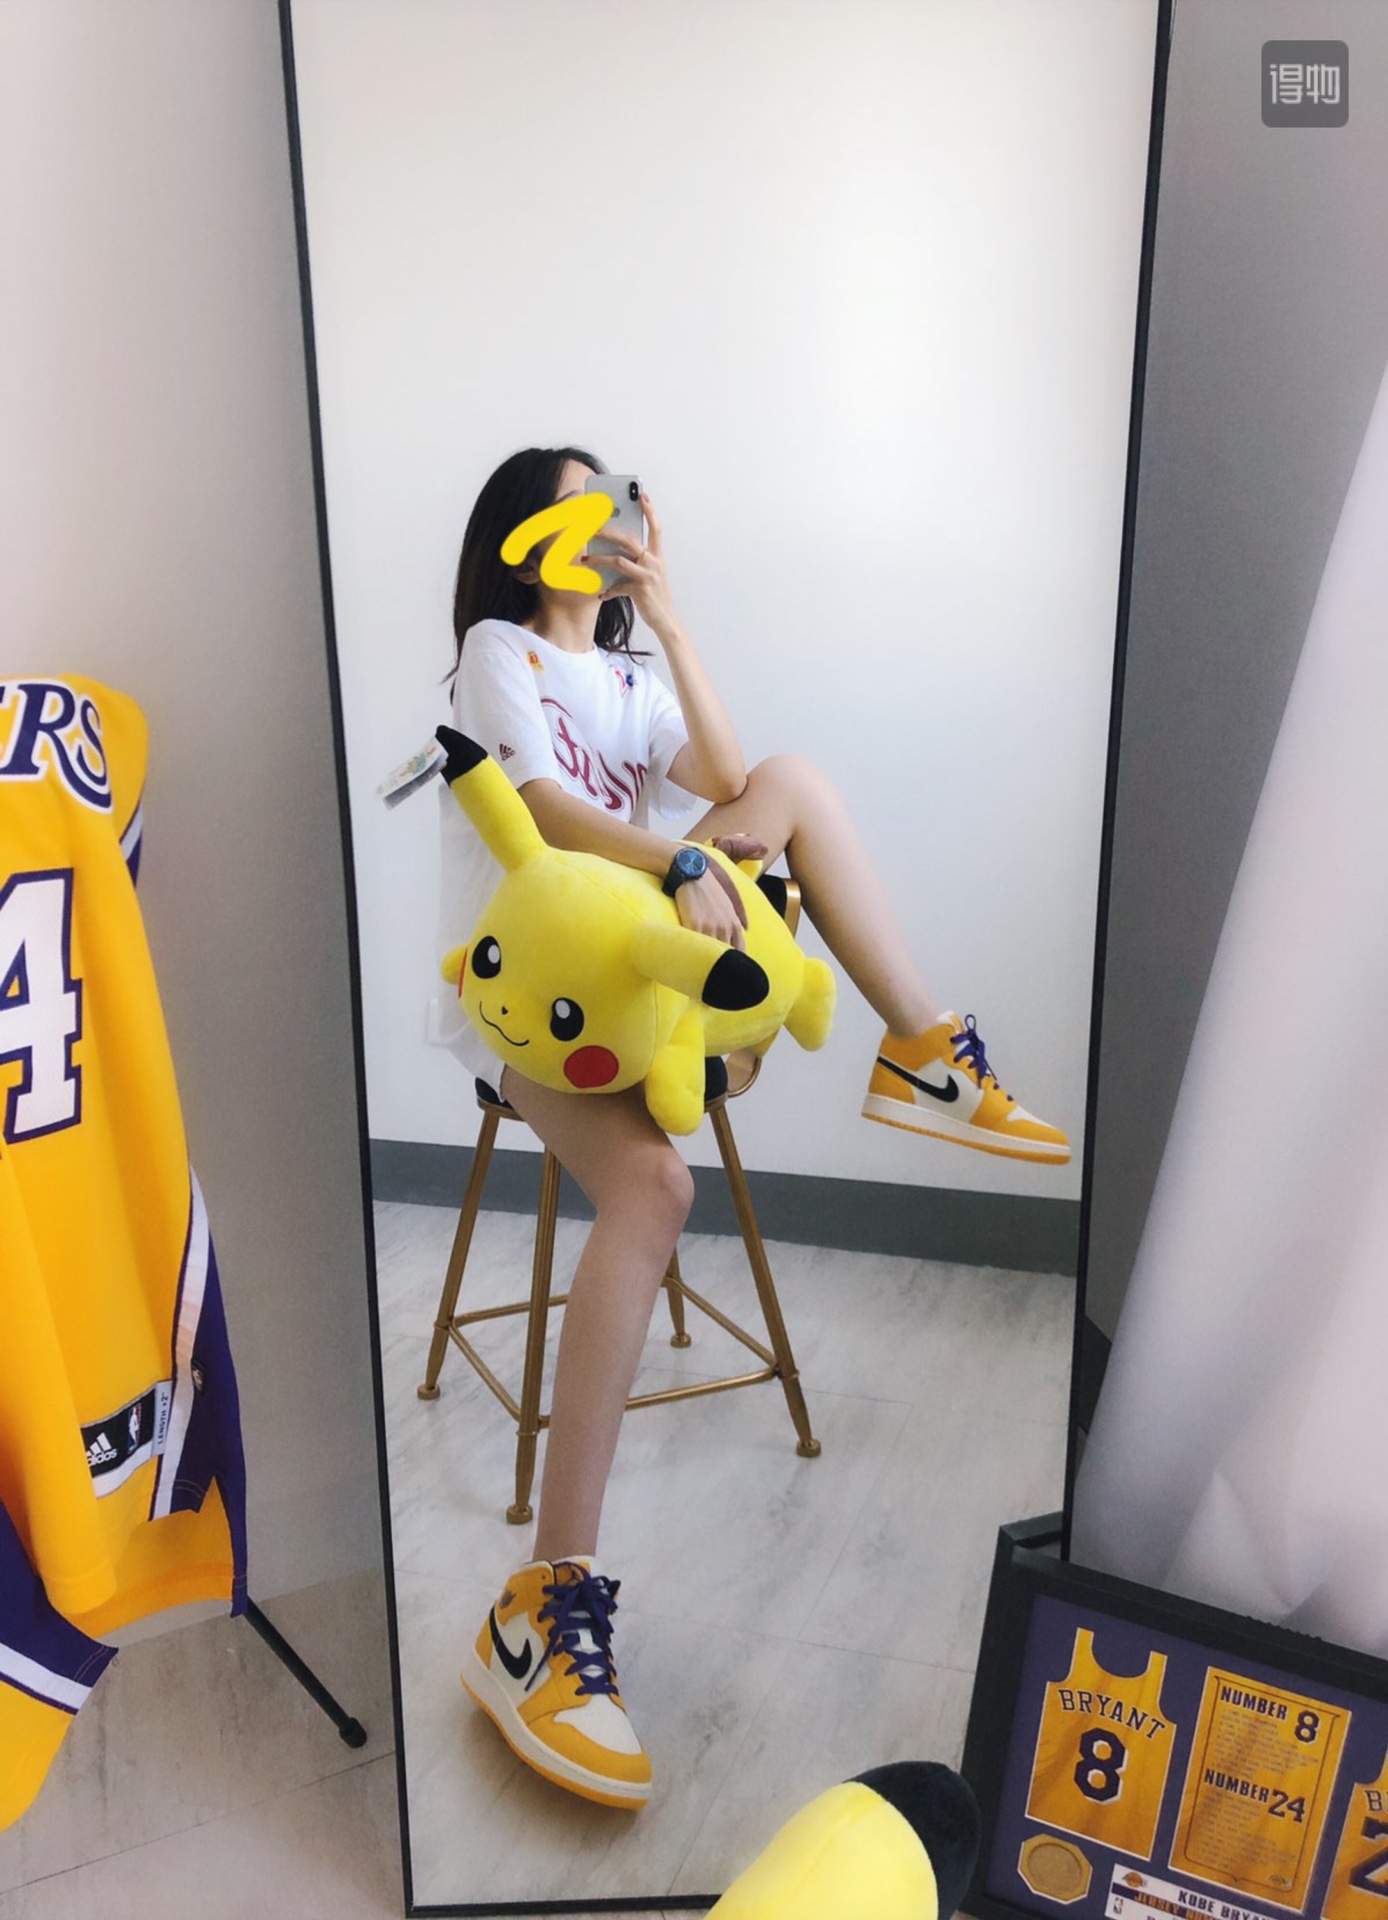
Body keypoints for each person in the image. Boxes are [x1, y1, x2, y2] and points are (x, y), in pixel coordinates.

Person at [437, 446, 1068, 1811]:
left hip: (635, 975)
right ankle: (538, 1612)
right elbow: (542, 819)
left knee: (789, 777)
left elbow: (724, 772)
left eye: (622, 508)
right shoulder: (500, 653)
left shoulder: (625, 673)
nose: (611, 527)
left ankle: (919, 1047)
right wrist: (679, 858)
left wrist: (667, 618)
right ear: (526, 536)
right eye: (583, 507)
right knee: (655, 1192)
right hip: (532, 1003)